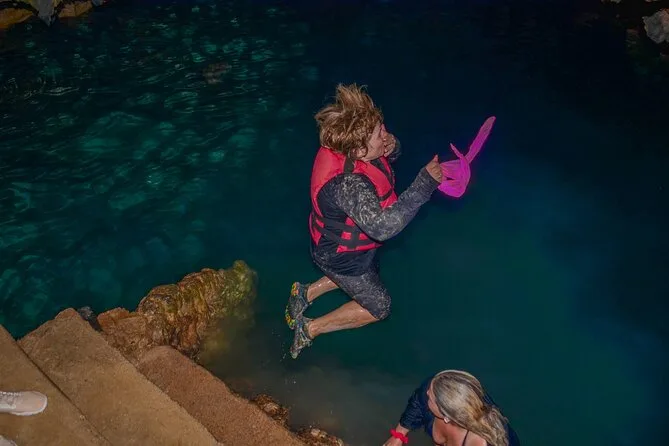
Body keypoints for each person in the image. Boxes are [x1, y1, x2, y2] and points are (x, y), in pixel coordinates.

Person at [285, 83, 443, 359]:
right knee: (379, 306)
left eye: (382, 128)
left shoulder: (349, 146)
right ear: (357, 150)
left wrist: (391, 146)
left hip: (348, 248)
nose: (385, 134)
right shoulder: (348, 185)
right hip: (338, 256)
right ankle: (309, 328)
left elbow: (380, 159)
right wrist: (424, 184)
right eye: (380, 134)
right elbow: (383, 227)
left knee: (368, 269)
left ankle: (304, 292)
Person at [384, 370, 520, 446]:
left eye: (430, 398)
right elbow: (418, 401)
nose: (427, 393)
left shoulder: (478, 443)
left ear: (447, 417)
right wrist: (399, 435)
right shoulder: (438, 386)